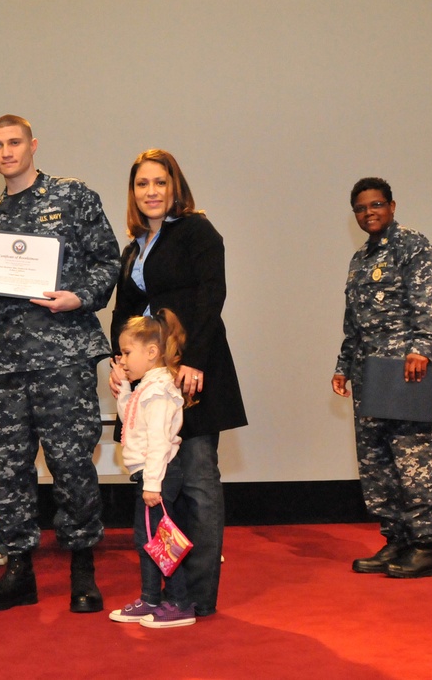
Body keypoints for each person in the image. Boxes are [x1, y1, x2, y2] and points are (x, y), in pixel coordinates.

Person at [0, 114, 120, 613]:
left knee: (72, 466)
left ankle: (83, 570)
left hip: (64, 356)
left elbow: (109, 261)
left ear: (33, 145)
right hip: (6, 364)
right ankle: (18, 571)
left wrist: (80, 297)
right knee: (6, 470)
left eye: (14, 142)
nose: (6, 152)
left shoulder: (74, 197)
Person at [109, 149, 247, 617]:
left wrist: (193, 359)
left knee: (197, 486)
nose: (151, 192)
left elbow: (213, 295)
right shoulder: (135, 246)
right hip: (149, 385)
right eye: (142, 184)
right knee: (158, 490)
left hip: (192, 375)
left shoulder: (197, 231)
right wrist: (118, 359)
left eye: (159, 183)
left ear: (175, 187)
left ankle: (198, 599)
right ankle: (162, 594)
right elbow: (123, 312)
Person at [332, 177, 432, 579]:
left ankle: (424, 546)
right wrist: (344, 365)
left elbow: (431, 302)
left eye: (377, 205)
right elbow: (355, 323)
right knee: (377, 461)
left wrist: (424, 348)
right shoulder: (360, 259)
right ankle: (396, 539)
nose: (369, 213)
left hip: (407, 368)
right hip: (370, 373)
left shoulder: (412, 245)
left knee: (411, 457)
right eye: (361, 208)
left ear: (393, 206)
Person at [109, 310, 196, 629]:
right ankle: (151, 599)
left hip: (156, 476)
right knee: (146, 539)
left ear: (152, 352)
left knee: (160, 542)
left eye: (127, 353)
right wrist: (125, 389)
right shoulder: (146, 387)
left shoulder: (159, 391)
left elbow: (159, 442)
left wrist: (152, 484)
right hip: (149, 476)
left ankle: (178, 603)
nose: (123, 360)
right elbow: (131, 419)